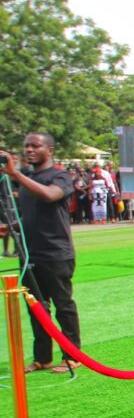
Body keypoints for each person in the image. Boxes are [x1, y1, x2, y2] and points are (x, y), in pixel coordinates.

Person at [0, 133, 82, 374]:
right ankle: (43, 357)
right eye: (26, 146)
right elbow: (30, 216)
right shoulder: (28, 179)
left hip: (56, 253)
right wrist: (11, 227)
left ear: (50, 150)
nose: (29, 150)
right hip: (30, 254)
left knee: (63, 306)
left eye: (35, 145)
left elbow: (50, 196)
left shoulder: (60, 176)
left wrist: (15, 175)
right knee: (36, 308)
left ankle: (72, 355)